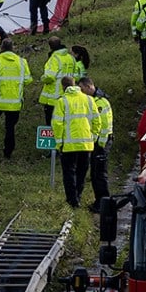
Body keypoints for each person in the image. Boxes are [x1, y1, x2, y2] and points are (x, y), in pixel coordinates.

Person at [0, 38, 32, 160]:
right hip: (14, 103)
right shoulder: (22, 62)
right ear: (13, 48)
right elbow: (28, 80)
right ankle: (8, 152)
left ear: (1, 48)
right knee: (10, 128)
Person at [50, 74, 96, 208]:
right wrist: (93, 137)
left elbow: (57, 124)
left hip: (69, 145)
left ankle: (72, 200)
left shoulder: (62, 101)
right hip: (86, 144)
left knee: (69, 172)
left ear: (63, 87)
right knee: (81, 172)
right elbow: (97, 120)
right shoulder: (88, 100)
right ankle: (78, 196)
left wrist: (59, 143)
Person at [83, 77, 113, 202]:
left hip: (102, 143)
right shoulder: (93, 100)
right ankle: (99, 201)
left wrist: (100, 143)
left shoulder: (100, 102)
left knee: (99, 174)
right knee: (95, 174)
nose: (81, 92)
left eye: (82, 89)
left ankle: (103, 202)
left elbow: (104, 125)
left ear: (89, 87)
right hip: (98, 142)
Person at [39, 36, 81, 126]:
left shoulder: (54, 59)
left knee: (51, 124)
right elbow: (77, 76)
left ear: (50, 46)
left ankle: (52, 140)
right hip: (69, 96)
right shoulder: (71, 58)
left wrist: (42, 78)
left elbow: (50, 76)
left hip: (53, 98)